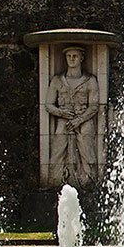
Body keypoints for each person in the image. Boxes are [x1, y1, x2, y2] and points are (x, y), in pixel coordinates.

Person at [45, 46, 99, 188]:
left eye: (74, 56)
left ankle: (88, 182)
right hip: (64, 119)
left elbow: (94, 106)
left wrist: (79, 119)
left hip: (84, 119)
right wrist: (61, 113)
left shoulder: (90, 80)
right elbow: (48, 105)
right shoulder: (57, 80)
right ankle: (56, 182)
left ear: (81, 58)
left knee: (87, 152)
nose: (71, 59)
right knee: (58, 151)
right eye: (68, 56)